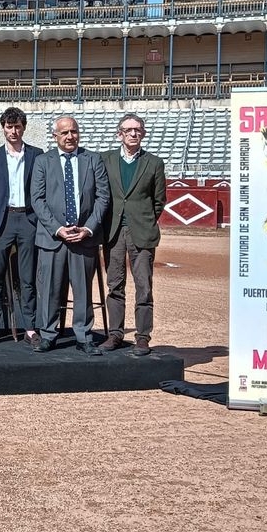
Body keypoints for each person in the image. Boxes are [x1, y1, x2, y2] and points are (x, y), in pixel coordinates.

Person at [29, 116, 110, 356]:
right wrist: (57, 228)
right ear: (55, 136)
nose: (69, 136)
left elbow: (102, 198)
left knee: (83, 289)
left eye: (73, 131)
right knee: (50, 289)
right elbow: (37, 199)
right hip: (53, 237)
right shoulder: (43, 161)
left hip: (84, 237)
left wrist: (88, 228)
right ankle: (48, 334)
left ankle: (84, 336)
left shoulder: (93, 159)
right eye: (64, 132)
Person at [100, 114, 167, 356]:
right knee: (114, 285)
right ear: (120, 134)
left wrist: (145, 221)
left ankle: (142, 337)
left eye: (137, 130)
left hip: (142, 231)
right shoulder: (105, 159)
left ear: (143, 134)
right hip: (113, 230)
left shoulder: (154, 163)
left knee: (143, 287)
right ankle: (115, 334)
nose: (133, 133)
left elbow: (159, 201)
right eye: (128, 130)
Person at [0, 107, 43, 348]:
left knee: (27, 279)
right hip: (0, 223)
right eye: (9, 127)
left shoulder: (37, 154)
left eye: (17, 127)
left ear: (23, 128)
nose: (13, 131)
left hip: (27, 220)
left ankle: (30, 329)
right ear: (3, 128)